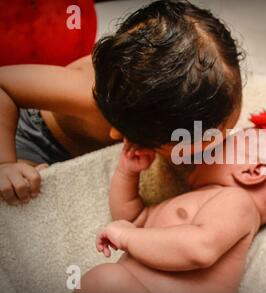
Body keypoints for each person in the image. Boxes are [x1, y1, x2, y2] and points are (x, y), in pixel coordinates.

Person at [0, 0, 242, 205]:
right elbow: (4, 85)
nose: (214, 147)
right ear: (126, 135)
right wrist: (5, 163)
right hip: (34, 138)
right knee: (24, 186)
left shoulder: (210, 88)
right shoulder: (84, 90)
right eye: (198, 147)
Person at [70, 109, 266, 293]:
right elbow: (131, 220)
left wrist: (127, 238)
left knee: (107, 280)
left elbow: (201, 248)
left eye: (225, 143)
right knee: (106, 281)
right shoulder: (199, 200)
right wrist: (127, 173)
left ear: (252, 171)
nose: (208, 146)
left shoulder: (238, 202)